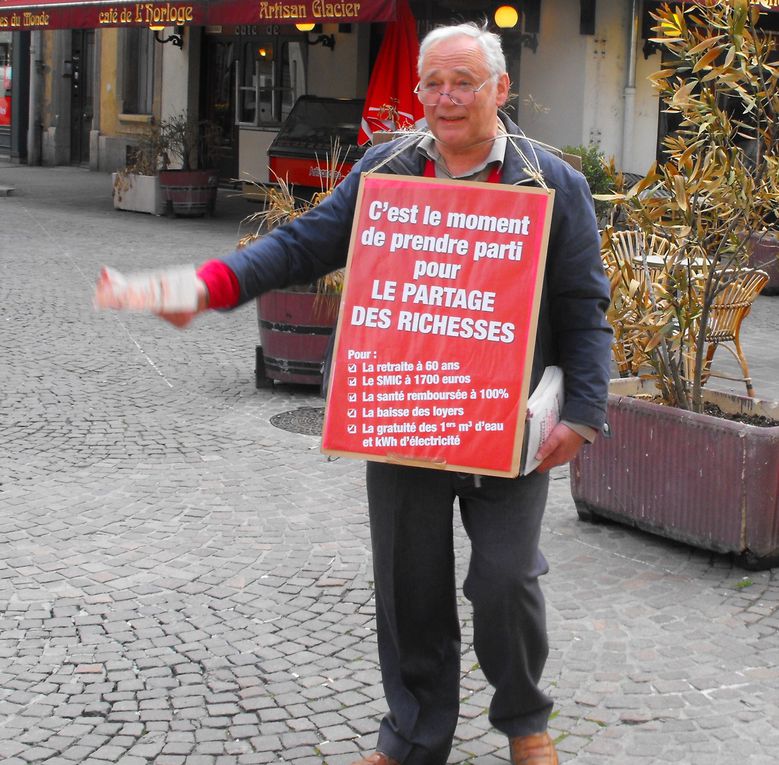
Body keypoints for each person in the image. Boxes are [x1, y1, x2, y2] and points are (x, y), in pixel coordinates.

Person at [97, 21, 612, 765]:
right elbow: (301, 243)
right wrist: (204, 287)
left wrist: (585, 415)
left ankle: (524, 721)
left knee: (505, 581)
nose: (444, 97)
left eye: (462, 82)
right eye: (431, 82)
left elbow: (581, 307)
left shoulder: (551, 182)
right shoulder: (387, 166)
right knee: (410, 589)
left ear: (500, 90)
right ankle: (412, 735)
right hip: (400, 409)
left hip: (505, 426)